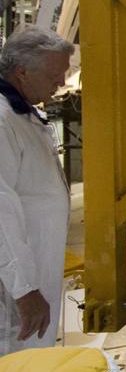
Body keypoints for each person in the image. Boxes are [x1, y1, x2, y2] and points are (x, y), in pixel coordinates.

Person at [0, 26, 73, 354]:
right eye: (54, 74)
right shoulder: (2, 121)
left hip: (35, 275)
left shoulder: (24, 114)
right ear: (22, 73)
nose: (61, 83)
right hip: (15, 290)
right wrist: (24, 289)